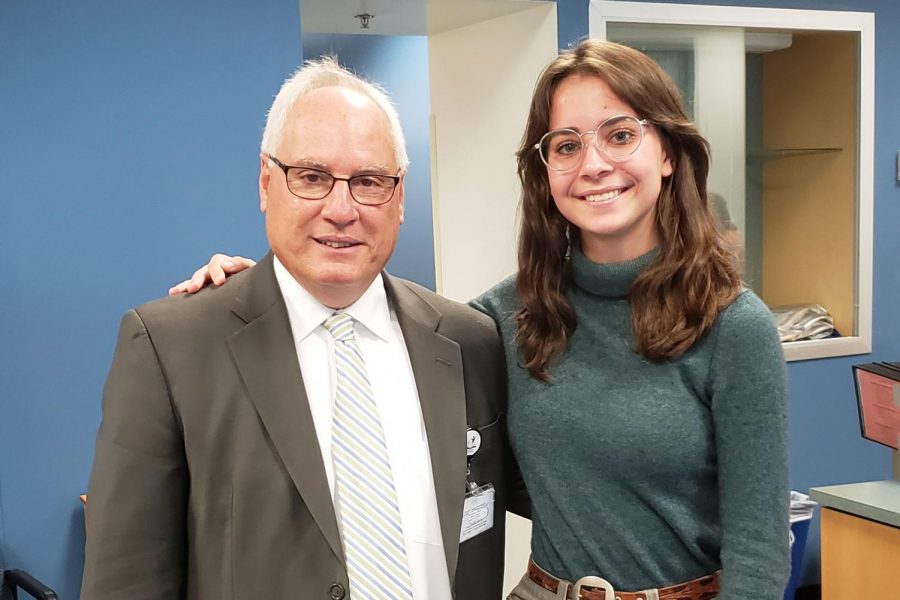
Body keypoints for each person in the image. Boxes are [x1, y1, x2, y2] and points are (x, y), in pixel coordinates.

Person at [174, 40, 791, 600]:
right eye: (568, 145)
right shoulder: (501, 320)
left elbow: (760, 550)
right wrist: (262, 290)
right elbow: (457, 453)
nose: (594, 164)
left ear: (668, 155)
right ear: (546, 171)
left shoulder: (733, 326)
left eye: (621, 134)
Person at [81, 57, 518, 600]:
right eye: (311, 177)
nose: (341, 209)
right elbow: (126, 582)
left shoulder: (469, 340)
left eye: (368, 181)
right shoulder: (172, 349)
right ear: (267, 184)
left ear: (399, 197)